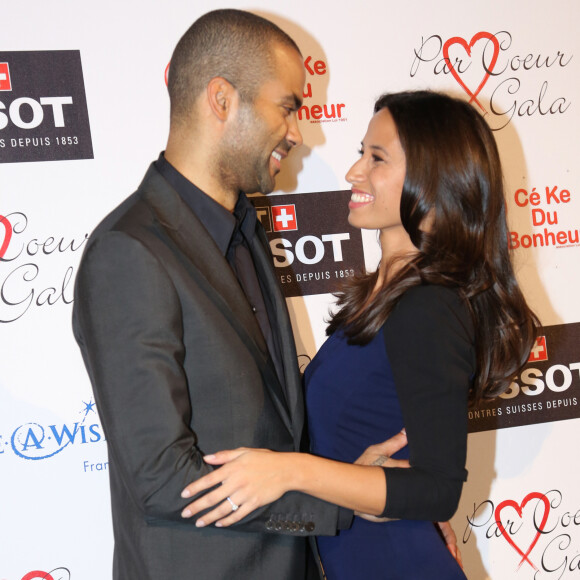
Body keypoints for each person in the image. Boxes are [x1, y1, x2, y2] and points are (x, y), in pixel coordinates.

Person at [179, 90, 540, 578]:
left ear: (434, 178)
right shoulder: (386, 296)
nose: (355, 172)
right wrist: (351, 477)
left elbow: (438, 489)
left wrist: (286, 471)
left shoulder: (428, 305)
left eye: (377, 158)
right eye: (360, 154)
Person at [72, 9, 359, 580]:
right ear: (223, 100)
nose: (301, 133)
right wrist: (345, 503)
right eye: (288, 107)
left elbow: (271, 425)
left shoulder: (247, 233)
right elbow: (161, 477)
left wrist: (346, 477)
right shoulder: (129, 252)